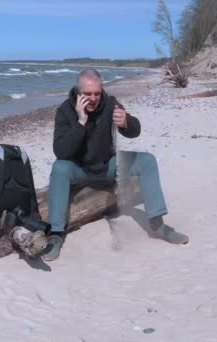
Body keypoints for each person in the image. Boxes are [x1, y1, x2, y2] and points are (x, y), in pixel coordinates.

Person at [42, 68, 188, 261]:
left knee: (147, 161)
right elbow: (61, 151)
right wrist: (80, 123)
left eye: (96, 93)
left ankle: (157, 225)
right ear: (78, 91)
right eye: (87, 94)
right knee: (59, 167)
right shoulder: (65, 111)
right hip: (79, 169)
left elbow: (135, 130)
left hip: (109, 165)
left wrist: (126, 122)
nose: (93, 98)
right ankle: (56, 235)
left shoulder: (110, 103)